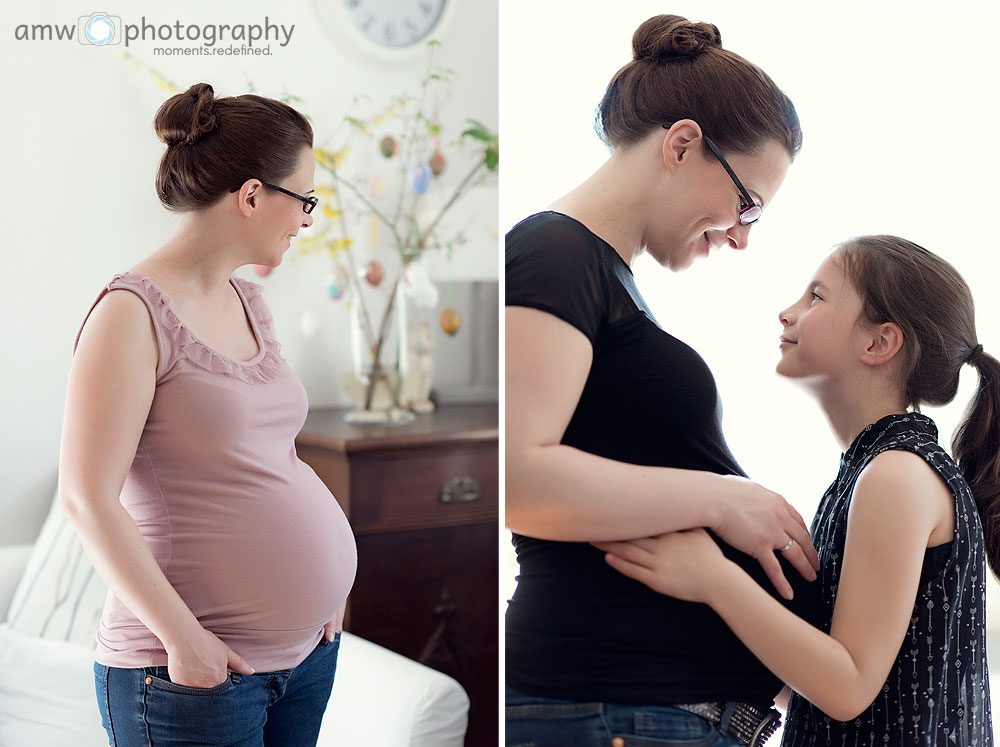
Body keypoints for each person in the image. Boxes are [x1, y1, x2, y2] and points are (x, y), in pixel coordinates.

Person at [505, 14, 822, 747]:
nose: (742, 235)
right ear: (682, 143)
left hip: (637, 713)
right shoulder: (554, 253)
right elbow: (519, 479)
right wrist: (724, 500)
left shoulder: (598, 270)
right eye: (748, 205)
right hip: (609, 708)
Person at [598, 235, 996, 745]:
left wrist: (713, 579)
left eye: (816, 297)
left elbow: (848, 686)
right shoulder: (871, 473)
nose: (787, 313)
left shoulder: (896, 476)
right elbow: (827, 683)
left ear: (879, 343)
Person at [58, 82, 357, 747]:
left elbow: (269, 456)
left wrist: (321, 590)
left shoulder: (250, 301)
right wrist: (183, 639)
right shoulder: (129, 314)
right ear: (252, 196)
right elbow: (86, 498)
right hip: (192, 674)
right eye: (304, 199)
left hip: (304, 655)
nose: (308, 219)